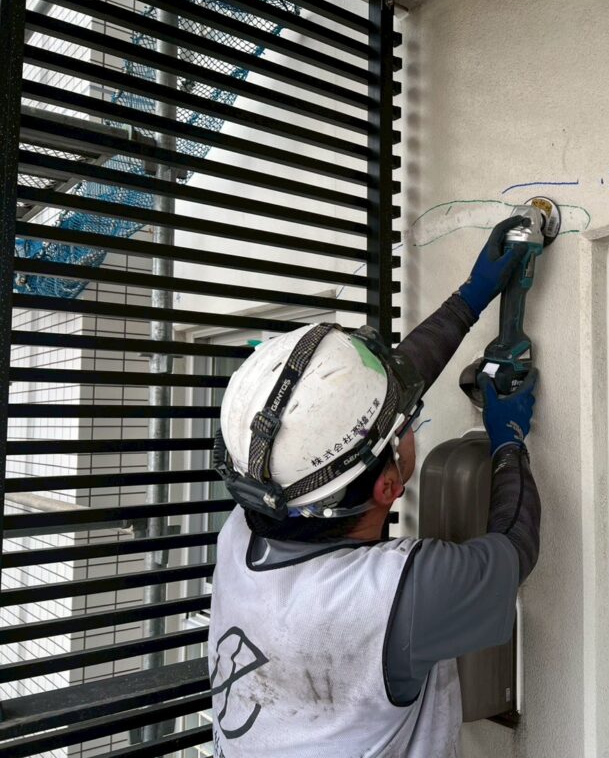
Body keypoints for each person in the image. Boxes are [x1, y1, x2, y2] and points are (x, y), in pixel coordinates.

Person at [207, 217, 541, 758]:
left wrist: (470, 298)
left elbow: (370, 400)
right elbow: (514, 551)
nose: (409, 422)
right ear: (388, 485)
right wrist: (511, 443)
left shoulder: (249, 527)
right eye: (405, 425)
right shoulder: (388, 598)